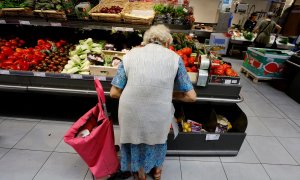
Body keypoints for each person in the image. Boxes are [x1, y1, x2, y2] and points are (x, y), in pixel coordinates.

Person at [110, 24, 197, 180]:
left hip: (130, 111)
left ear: (146, 41)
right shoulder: (175, 58)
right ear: (167, 43)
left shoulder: (130, 55)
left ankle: (140, 173)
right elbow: (191, 96)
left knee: (135, 140)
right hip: (158, 112)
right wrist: (169, 94)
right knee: (157, 140)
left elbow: (114, 93)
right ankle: (157, 172)